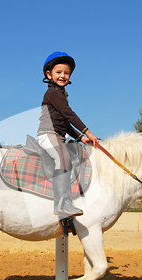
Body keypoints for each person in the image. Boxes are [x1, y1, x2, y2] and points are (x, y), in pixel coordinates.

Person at [37, 52, 99, 217]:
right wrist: (86, 130)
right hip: (48, 134)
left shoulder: (61, 93)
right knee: (63, 158)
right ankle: (62, 204)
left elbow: (65, 122)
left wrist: (81, 137)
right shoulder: (52, 93)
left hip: (59, 135)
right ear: (49, 74)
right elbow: (68, 113)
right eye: (58, 72)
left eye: (66, 73)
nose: (63, 76)